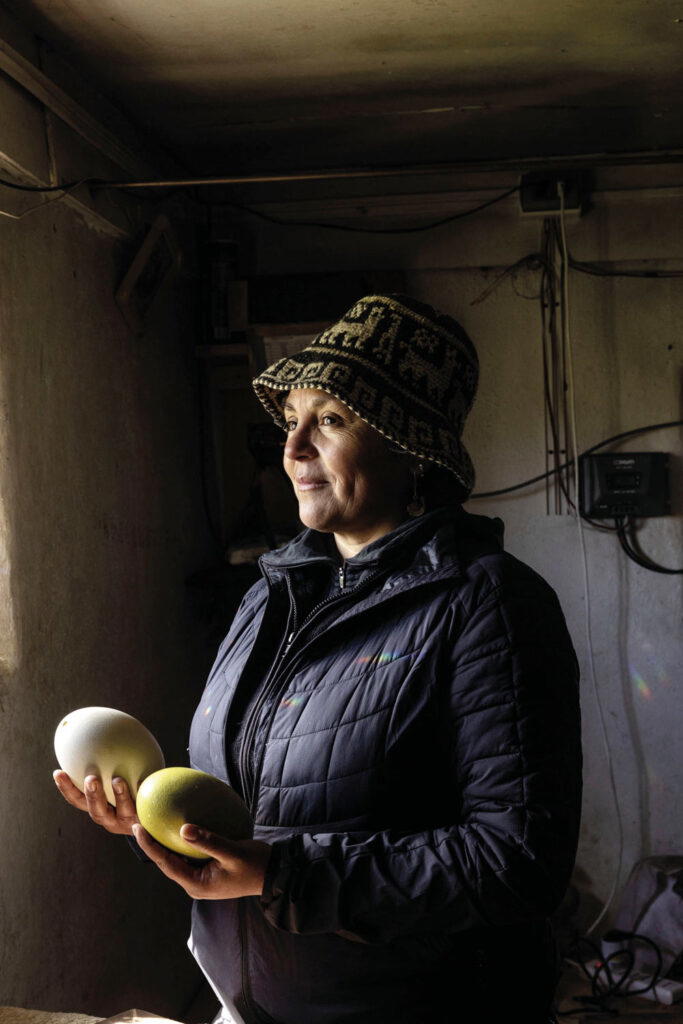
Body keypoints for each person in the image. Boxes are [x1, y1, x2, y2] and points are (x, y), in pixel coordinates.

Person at [54, 294, 582, 1024]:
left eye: (330, 420)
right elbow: (252, 808)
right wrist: (155, 822)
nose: (294, 447)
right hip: (253, 1005)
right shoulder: (269, 595)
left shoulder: (488, 604)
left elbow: (516, 863)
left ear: (409, 444)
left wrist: (286, 876)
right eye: (292, 419)